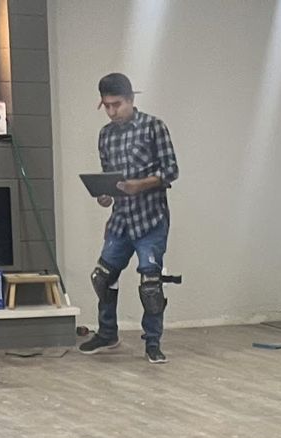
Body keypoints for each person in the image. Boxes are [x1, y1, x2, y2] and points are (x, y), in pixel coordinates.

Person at [80, 73, 180, 364]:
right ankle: (108, 333)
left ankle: (153, 342)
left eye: (117, 104)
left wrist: (141, 184)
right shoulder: (106, 135)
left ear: (131, 99)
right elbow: (110, 178)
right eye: (107, 106)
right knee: (102, 277)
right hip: (121, 220)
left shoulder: (153, 127)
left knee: (150, 283)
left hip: (151, 219)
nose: (112, 111)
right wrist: (105, 195)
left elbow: (171, 170)